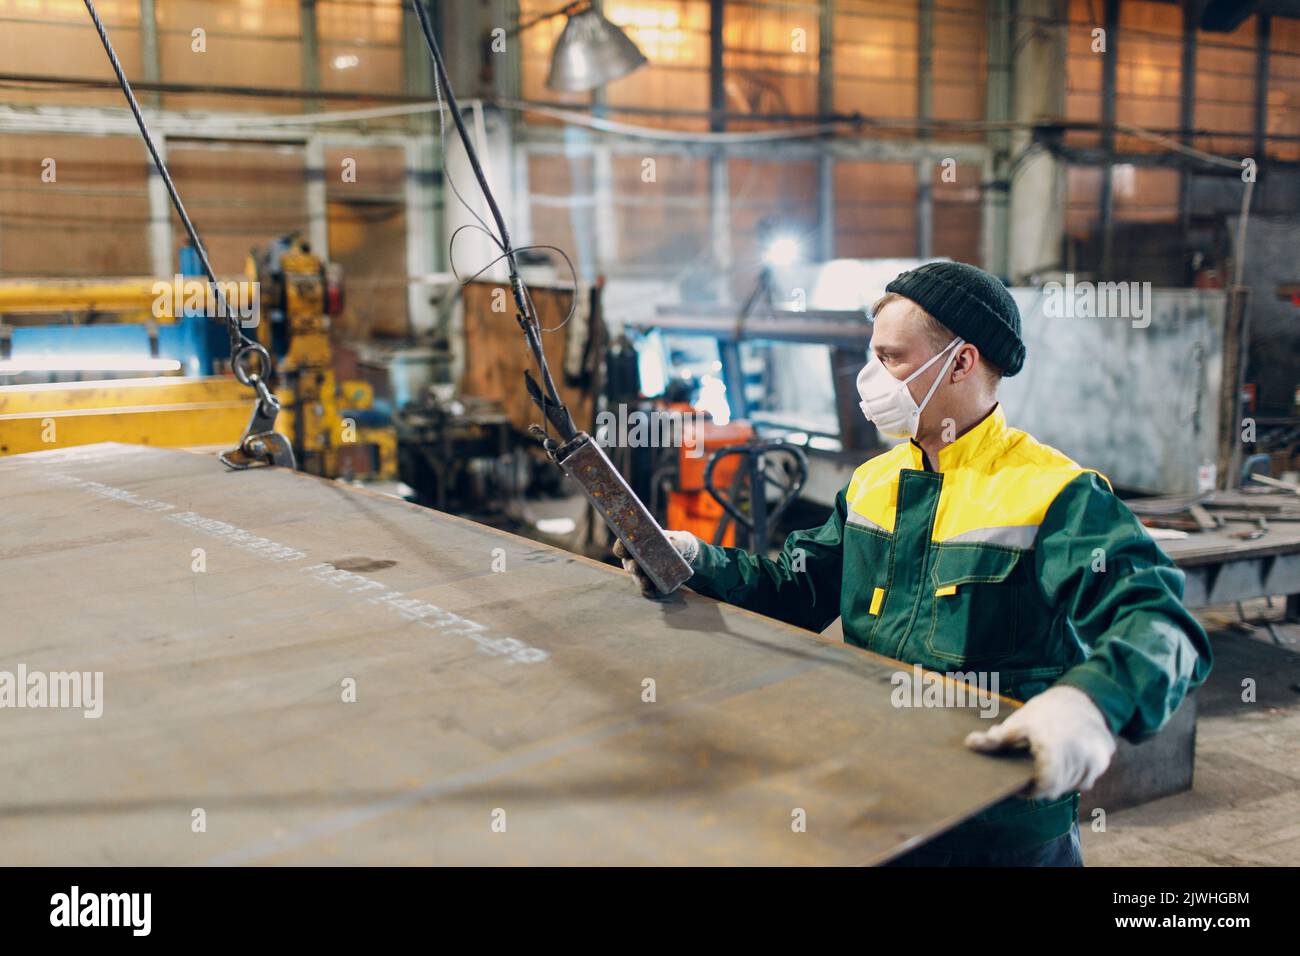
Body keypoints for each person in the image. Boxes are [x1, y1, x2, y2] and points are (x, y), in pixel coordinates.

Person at [615, 260, 1213, 866]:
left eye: (892, 358)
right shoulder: (874, 483)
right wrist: (694, 560)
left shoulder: (1055, 495)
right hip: (882, 796)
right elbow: (796, 590)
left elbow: (1162, 624)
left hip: (1001, 827)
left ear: (960, 362)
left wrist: (1091, 702)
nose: (868, 378)